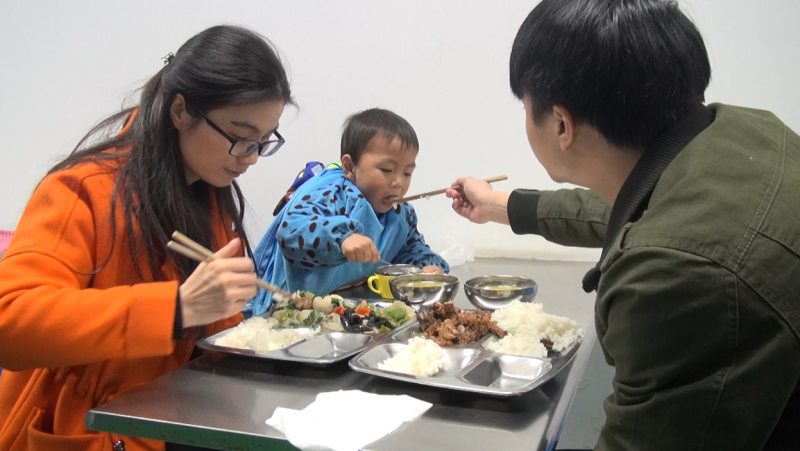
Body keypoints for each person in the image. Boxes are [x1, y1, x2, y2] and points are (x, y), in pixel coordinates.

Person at [447, 1, 800, 450]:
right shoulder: (741, 133)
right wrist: (497, 205)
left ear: (561, 124)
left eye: (526, 106)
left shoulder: (673, 276)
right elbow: (634, 205)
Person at [0, 25, 293, 451]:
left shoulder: (207, 194)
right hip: (90, 428)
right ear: (181, 111)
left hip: (169, 420)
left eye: (263, 142)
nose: (250, 158)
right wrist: (175, 308)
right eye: (240, 137)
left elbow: (211, 336)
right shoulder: (83, 190)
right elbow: (10, 323)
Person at [249, 108, 448, 316]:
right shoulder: (332, 191)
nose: (398, 182)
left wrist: (427, 268)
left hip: (337, 310)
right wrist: (342, 238)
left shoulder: (400, 215)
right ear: (350, 167)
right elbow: (293, 230)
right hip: (284, 307)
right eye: (387, 170)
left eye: (407, 173)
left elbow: (408, 249)